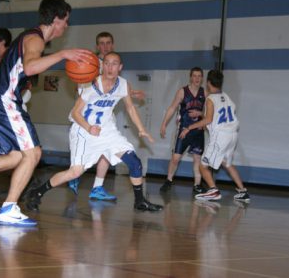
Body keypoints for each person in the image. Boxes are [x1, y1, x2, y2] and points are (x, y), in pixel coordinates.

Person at [0, 0, 94, 227]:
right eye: (66, 21)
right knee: (33, 154)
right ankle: (8, 207)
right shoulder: (35, 39)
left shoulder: (29, 37)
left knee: (16, 156)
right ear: (56, 19)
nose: (66, 26)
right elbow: (31, 66)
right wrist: (63, 55)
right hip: (4, 99)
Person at [24, 51, 163, 212]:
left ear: (120, 67)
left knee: (135, 163)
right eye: (107, 63)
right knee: (75, 172)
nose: (110, 67)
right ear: (102, 65)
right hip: (83, 130)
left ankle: (140, 201)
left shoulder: (124, 85)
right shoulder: (91, 84)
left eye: (114, 64)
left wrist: (142, 129)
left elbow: (130, 108)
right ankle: (37, 192)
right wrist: (89, 127)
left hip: (107, 130)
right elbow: (75, 113)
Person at [67, 32, 145, 201]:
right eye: (101, 43)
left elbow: (117, 88)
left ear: (113, 45)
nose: (105, 46)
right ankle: (75, 174)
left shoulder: (113, 63)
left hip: (105, 116)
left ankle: (97, 187)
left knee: (108, 150)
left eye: (108, 43)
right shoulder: (91, 64)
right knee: (83, 153)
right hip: (87, 115)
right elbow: (80, 86)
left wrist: (131, 93)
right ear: (97, 46)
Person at [179, 69, 250, 202]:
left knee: (203, 165)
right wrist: (202, 117)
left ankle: (213, 190)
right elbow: (222, 115)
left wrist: (189, 127)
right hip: (233, 135)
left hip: (221, 136)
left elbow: (209, 120)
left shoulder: (210, 99)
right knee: (227, 163)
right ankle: (243, 191)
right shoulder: (226, 96)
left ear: (208, 82)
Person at [159, 67, 205, 194]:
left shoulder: (204, 93)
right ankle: (168, 180)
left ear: (202, 78)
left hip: (198, 131)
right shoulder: (182, 91)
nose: (196, 78)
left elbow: (209, 113)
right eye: (194, 76)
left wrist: (200, 112)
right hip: (184, 129)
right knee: (175, 158)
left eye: (199, 76)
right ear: (190, 77)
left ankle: (197, 185)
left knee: (197, 159)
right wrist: (164, 124)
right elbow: (172, 108)